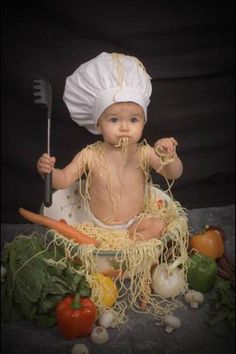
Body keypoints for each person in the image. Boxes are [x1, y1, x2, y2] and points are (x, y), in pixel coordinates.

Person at [37, 52, 183, 242]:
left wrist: (169, 156)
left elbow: (174, 174)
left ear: (143, 122)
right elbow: (63, 180)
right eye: (114, 119)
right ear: (98, 123)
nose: (124, 127)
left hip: (133, 223)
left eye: (133, 119)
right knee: (73, 239)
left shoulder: (145, 153)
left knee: (157, 225)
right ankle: (106, 251)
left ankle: (131, 252)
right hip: (95, 225)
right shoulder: (90, 154)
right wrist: (48, 172)